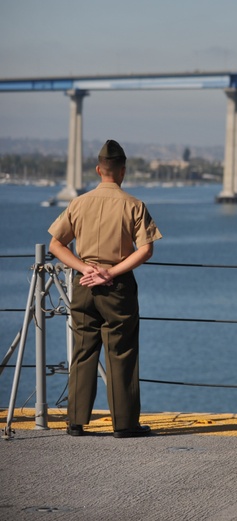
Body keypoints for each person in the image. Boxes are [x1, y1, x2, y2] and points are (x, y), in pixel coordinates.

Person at [47, 139, 163, 438]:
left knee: (83, 350)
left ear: (99, 170)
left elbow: (56, 244)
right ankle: (124, 424)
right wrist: (109, 272)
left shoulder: (79, 202)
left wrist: (84, 268)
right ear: (122, 172)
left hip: (83, 283)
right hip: (117, 285)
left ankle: (75, 421)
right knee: (121, 352)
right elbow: (146, 250)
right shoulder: (133, 205)